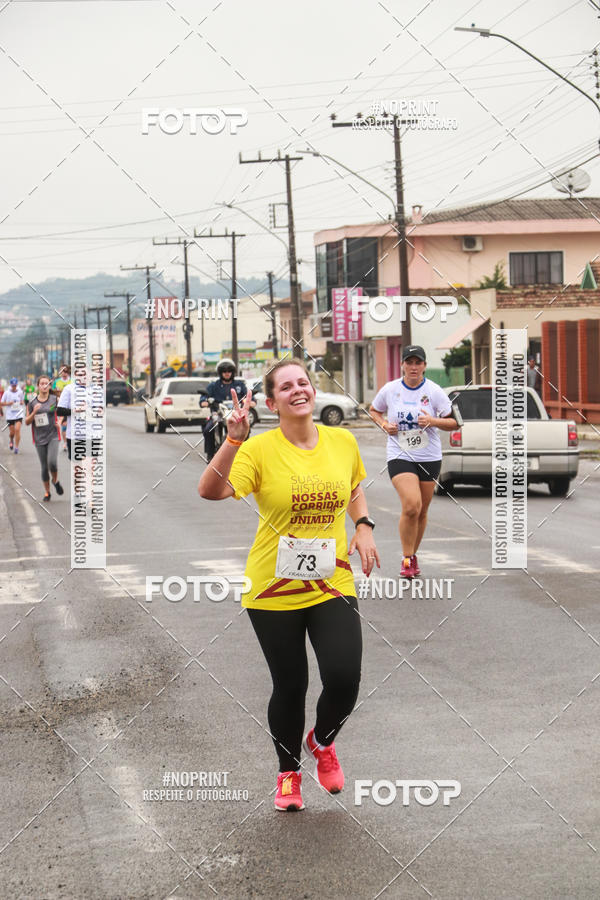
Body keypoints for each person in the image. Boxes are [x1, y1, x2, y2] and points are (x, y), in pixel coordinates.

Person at [198, 359, 379, 812]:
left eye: (303, 382)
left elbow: (354, 485)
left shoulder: (342, 440)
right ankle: (288, 773)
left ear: (311, 390)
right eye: (286, 386)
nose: (298, 390)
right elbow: (211, 490)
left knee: (344, 676)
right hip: (272, 588)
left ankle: (321, 741)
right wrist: (233, 440)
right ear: (273, 400)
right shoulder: (258, 450)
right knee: (291, 684)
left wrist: (363, 525)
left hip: (330, 580)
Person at [369, 345, 457, 579]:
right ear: (403, 365)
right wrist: (384, 425)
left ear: (425, 366)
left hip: (429, 456)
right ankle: (407, 558)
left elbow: (454, 423)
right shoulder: (391, 389)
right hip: (400, 454)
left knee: (421, 510)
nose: (414, 367)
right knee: (411, 505)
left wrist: (432, 420)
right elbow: (374, 410)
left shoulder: (435, 391)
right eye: (410, 362)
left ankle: (413, 555)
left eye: (418, 363)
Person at [199, 358, 247, 462]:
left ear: (232, 372)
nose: (227, 373)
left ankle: (244, 454)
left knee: (246, 430)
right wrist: (205, 401)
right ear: (220, 372)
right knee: (208, 429)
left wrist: (250, 401)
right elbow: (203, 397)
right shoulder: (214, 385)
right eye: (224, 371)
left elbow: (248, 397)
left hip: (235, 415)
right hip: (218, 414)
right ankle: (210, 454)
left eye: (229, 371)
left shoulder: (239, 385)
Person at [25, 375, 64, 501]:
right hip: (39, 438)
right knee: (44, 467)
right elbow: (26, 422)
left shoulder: (55, 399)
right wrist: (34, 412)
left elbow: (63, 412)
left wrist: (60, 420)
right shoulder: (32, 403)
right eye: (42, 383)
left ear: (49, 386)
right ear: (38, 386)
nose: (44, 386)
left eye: (46, 383)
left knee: (52, 462)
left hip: (53, 435)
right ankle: (47, 492)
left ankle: (55, 481)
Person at [1, 378, 25, 453]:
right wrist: (8, 403)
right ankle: (11, 440)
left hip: (18, 414)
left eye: (15, 385)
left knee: (17, 429)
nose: (14, 387)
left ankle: (16, 447)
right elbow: (1, 403)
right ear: (11, 385)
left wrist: (21, 402)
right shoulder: (7, 393)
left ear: (17, 385)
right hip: (10, 415)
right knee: (12, 432)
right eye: (13, 385)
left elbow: (22, 400)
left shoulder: (20, 392)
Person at [53, 365, 71, 451]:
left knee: (69, 425)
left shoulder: (72, 381)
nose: (64, 373)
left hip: (70, 407)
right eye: (62, 371)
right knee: (64, 426)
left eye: (66, 371)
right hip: (61, 407)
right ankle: (65, 442)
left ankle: (69, 441)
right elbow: (52, 393)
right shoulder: (56, 382)